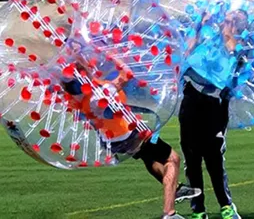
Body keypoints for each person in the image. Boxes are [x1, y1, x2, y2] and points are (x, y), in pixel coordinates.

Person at [60, 51, 201, 219]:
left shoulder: (77, 99)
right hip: (130, 135)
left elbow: (80, 81)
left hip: (113, 140)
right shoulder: (100, 93)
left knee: (149, 158)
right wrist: (110, 54)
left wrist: (79, 65)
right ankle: (169, 213)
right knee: (173, 159)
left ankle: (175, 189)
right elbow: (126, 74)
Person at [178, 9, 246, 219]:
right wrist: (199, 24)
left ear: (238, 26)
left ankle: (226, 206)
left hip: (214, 104)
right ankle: (198, 209)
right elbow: (188, 54)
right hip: (191, 98)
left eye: (231, 20)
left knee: (214, 157)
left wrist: (229, 34)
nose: (224, 22)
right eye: (226, 18)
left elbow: (231, 71)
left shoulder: (240, 48)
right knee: (192, 158)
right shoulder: (208, 38)